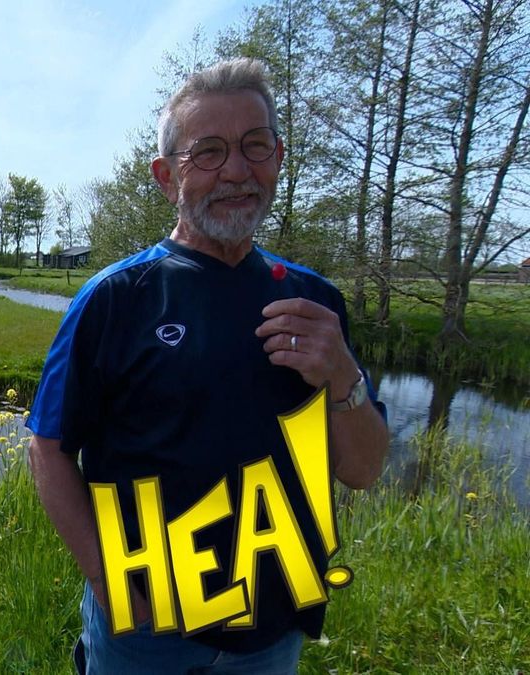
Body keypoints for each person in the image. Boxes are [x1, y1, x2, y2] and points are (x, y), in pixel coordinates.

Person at [26, 58, 389, 674]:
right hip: (144, 631)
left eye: (255, 145)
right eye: (210, 152)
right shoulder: (117, 299)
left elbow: (362, 470)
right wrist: (108, 580)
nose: (238, 171)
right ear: (168, 178)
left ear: (278, 158)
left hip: (274, 627)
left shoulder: (315, 301)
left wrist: (341, 376)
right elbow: (49, 449)